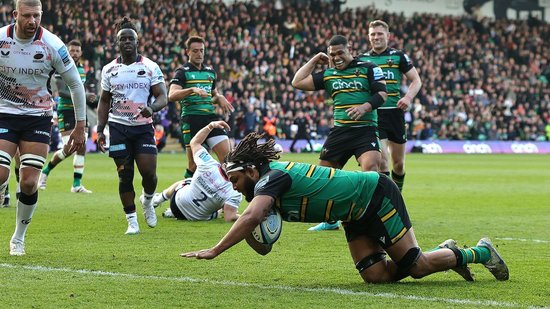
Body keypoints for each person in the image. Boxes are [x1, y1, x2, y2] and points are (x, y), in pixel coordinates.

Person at [182, 132, 510, 284]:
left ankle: (479, 252)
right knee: (376, 276)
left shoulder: (272, 179)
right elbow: (264, 246)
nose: (233, 185)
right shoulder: (263, 193)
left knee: (418, 267)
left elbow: (254, 215)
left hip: (375, 196)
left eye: (235, 178)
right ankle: (445, 252)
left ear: (252, 170)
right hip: (353, 213)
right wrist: (249, 229)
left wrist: (216, 249)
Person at [0, 0, 87, 256]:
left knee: (28, 182)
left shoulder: (53, 45)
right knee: (1, 174)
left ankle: (18, 238)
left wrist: (80, 126)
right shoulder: (1, 40)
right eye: (27, 16)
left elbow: (75, 85)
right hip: (4, 114)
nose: (32, 21)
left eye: (36, 16)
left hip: (38, 117)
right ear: (15, 14)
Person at [292, 34, 387, 231]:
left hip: (365, 130)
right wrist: (315, 59)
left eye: (340, 53)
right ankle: (330, 220)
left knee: (371, 170)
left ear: (349, 49)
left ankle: (373, 216)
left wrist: (364, 108)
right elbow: (297, 82)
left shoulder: (369, 68)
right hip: (340, 132)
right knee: (323, 177)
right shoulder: (328, 74)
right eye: (332, 54)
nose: (336, 57)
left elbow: (382, 95)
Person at [96, 17, 167, 235]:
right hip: (118, 128)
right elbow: (104, 101)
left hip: (143, 127)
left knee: (149, 174)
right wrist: (100, 130)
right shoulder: (109, 70)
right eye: (123, 39)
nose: (127, 42)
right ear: (117, 43)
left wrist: (152, 108)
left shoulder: (150, 67)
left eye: (131, 39)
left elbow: (163, 96)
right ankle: (132, 221)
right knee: (124, 175)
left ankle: (147, 200)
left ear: (137, 42)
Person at [359, 20, 422, 192]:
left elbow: (416, 80)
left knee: (399, 164)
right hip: (374, 114)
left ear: (388, 36)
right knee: (382, 161)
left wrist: (408, 98)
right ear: (369, 37)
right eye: (373, 34)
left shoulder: (398, 56)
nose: (376, 37)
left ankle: (397, 196)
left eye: (379, 33)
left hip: (395, 113)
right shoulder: (362, 60)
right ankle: (387, 203)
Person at [168, 36, 234, 179]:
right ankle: (181, 195)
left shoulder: (210, 72)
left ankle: (227, 195)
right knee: (193, 165)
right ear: (187, 52)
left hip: (211, 119)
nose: (199, 54)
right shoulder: (182, 72)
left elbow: (212, 95)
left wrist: (220, 97)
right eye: (195, 51)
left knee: (228, 160)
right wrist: (191, 90)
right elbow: (172, 95)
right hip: (192, 120)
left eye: (201, 51)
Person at [152, 121, 241, 222]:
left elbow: (194, 142)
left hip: (176, 205)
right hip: (197, 218)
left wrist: (210, 126)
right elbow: (229, 218)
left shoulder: (208, 163)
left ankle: (157, 200)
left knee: (186, 181)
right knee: (223, 207)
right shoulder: (236, 190)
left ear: (225, 163)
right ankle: (168, 209)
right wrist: (248, 214)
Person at [38, 39, 96, 193]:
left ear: (81, 53)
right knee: (69, 148)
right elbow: (62, 91)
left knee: (82, 147)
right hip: (66, 111)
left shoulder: (82, 70)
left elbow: (81, 91)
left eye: (77, 51)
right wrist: (85, 94)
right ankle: (45, 171)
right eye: (72, 51)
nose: (75, 53)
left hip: (80, 112)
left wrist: (90, 98)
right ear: (67, 52)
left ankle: (76, 184)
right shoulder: (60, 68)